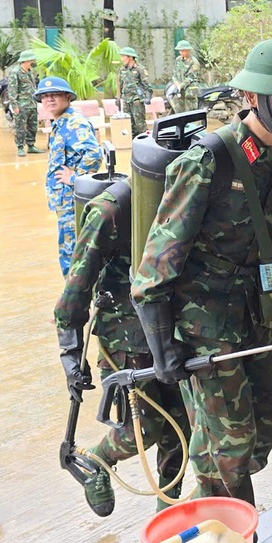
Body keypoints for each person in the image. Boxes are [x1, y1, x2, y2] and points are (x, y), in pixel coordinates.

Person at [131, 38, 272, 508]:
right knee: (233, 438)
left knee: (268, 416)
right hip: (204, 319)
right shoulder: (208, 162)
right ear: (250, 100)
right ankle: (229, 530)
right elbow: (153, 270)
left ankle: (210, 475)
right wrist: (163, 349)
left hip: (252, 311)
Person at [54, 177, 191, 517]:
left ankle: (167, 510)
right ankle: (97, 458)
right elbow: (75, 287)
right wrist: (71, 353)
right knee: (142, 430)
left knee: (181, 430)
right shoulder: (110, 211)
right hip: (125, 335)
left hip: (175, 327)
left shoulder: (190, 190)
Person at [42, 77, 102, 277]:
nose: (49, 99)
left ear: (68, 97)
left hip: (72, 201)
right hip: (65, 201)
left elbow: (94, 154)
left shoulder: (74, 123)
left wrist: (75, 178)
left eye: (55, 95)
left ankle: (74, 300)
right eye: (45, 96)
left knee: (73, 254)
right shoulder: (61, 123)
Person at [7, 49, 43, 157]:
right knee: (20, 127)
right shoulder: (15, 72)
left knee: (33, 126)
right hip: (21, 105)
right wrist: (14, 105)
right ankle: (20, 147)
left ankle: (31, 145)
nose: (33, 62)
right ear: (26, 61)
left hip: (32, 104)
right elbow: (12, 90)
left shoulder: (29, 72)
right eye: (32, 60)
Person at [119, 47, 151, 136]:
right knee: (128, 125)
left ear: (130, 57)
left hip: (136, 100)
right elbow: (120, 85)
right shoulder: (122, 70)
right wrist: (117, 97)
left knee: (140, 124)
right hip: (126, 100)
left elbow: (147, 85)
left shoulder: (140, 69)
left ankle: (145, 144)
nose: (122, 59)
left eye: (123, 56)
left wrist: (148, 96)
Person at [171, 40, 204, 112]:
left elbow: (191, 77)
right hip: (179, 90)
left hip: (190, 90)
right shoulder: (178, 60)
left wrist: (181, 85)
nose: (181, 52)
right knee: (179, 111)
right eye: (180, 50)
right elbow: (175, 74)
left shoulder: (194, 62)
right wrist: (176, 83)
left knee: (191, 112)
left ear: (188, 50)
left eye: (183, 50)